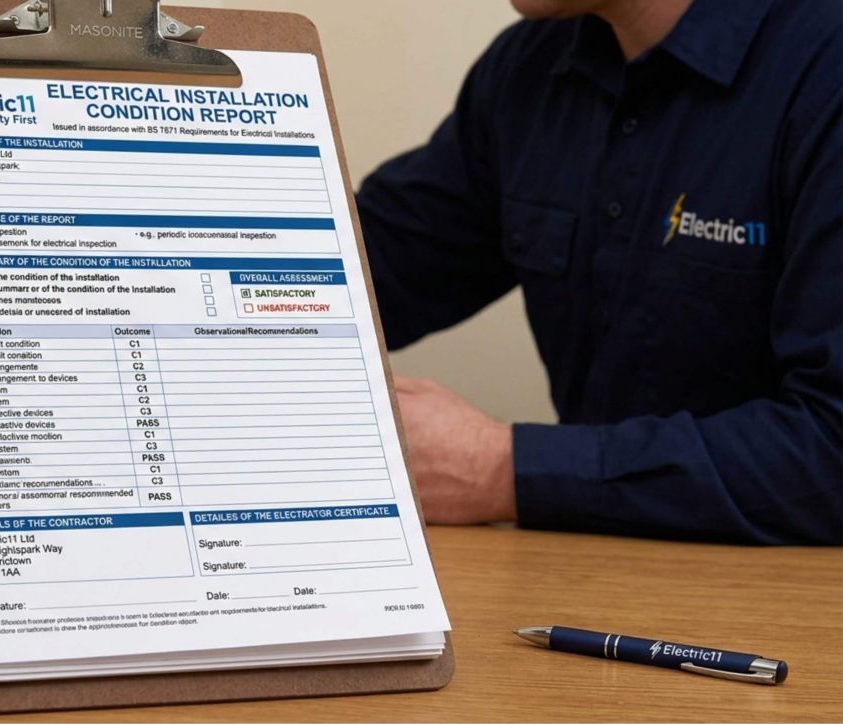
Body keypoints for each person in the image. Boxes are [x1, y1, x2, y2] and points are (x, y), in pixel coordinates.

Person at [355, 0, 842, 544]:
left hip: (786, 591)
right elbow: (369, 270)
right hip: (584, 578)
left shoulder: (823, 68)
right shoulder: (531, 67)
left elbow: (832, 451)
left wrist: (500, 468)